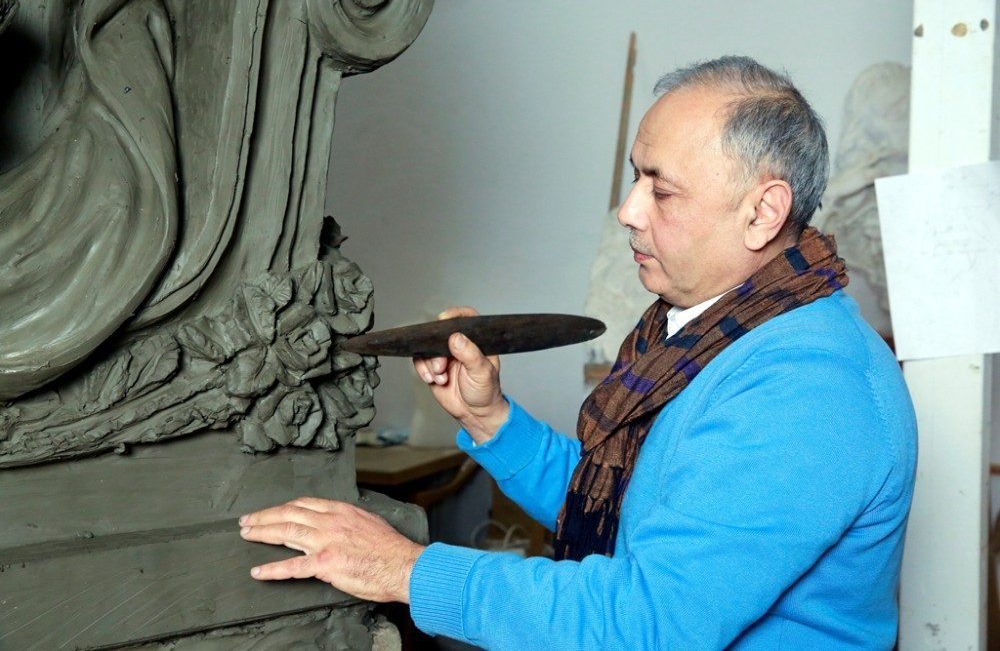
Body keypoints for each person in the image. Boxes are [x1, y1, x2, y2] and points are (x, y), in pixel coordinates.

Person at [238, 55, 917, 650]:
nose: (628, 211)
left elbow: (647, 625)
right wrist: (488, 419)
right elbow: (623, 506)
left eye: (661, 189)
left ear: (763, 212)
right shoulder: (708, 332)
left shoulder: (806, 386)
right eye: (635, 179)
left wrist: (406, 570)